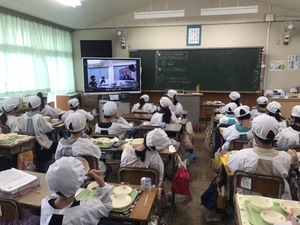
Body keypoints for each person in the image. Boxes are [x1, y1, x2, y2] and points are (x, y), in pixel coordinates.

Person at [228, 114, 292, 199]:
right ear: (275, 136)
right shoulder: (285, 158)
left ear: (254, 134)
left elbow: (231, 167)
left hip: (246, 200)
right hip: (274, 202)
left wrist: (248, 150)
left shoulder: (242, 155)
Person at [40, 157, 113, 225]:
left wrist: (81, 179)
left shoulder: (45, 203)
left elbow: (60, 186)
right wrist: (101, 183)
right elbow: (106, 206)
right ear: (81, 185)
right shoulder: (86, 210)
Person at [19, 95, 57, 170]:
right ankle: (47, 165)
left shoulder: (23, 116)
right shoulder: (38, 117)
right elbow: (47, 129)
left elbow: (20, 129)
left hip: (28, 144)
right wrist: (48, 122)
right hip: (39, 144)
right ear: (39, 106)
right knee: (55, 144)